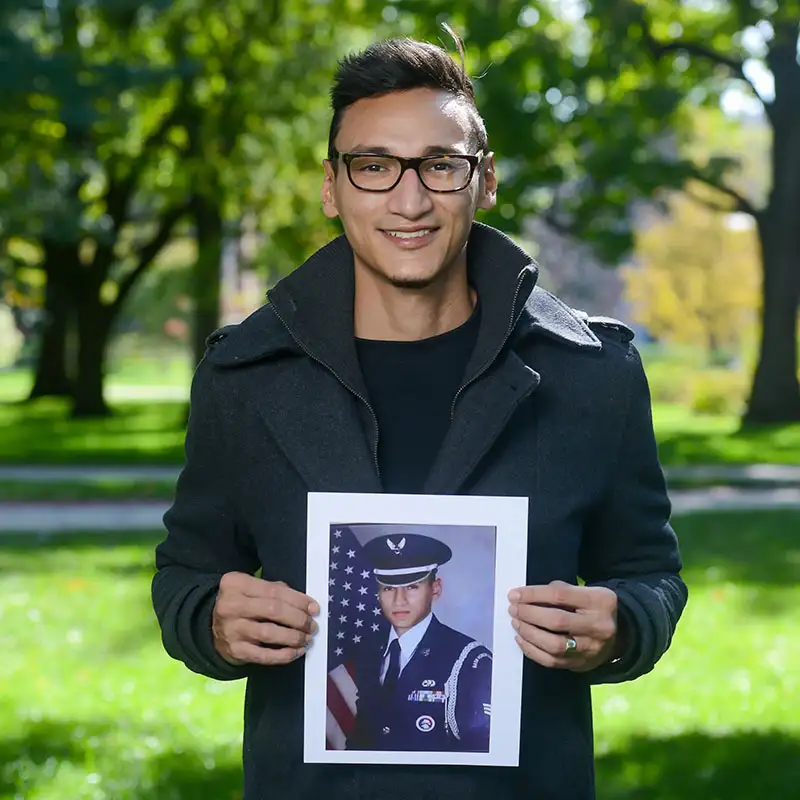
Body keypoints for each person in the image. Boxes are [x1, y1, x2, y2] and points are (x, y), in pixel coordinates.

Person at [151, 30, 687, 800]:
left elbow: (650, 576)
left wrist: (622, 625)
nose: (410, 200)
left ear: (486, 180)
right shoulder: (244, 378)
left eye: (440, 165)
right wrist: (209, 619)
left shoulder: (592, 376)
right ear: (332, 187)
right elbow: (184, 575)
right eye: (374, 167)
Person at [346, 532, 492, 752]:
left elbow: (480, 751)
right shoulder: (369, 651)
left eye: (412, 587)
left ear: (435, 588)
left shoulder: (470, 660)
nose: (399, 600)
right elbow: (361, 738)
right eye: (388, 588)